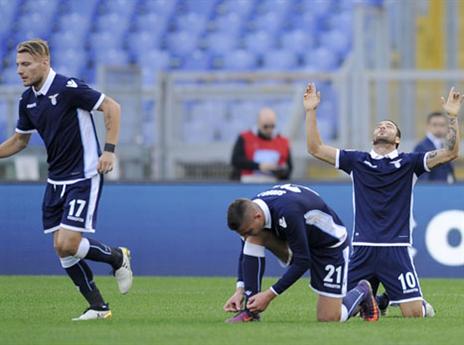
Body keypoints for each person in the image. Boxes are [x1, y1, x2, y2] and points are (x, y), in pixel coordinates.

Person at [0, 39, 133, 320]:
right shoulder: (28, 100)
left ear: (44, 62)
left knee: (68, 243)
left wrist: (109, 151)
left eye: (26, 64)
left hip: (84, 175)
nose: (20, 71)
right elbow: (20, 141)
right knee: (62, 248)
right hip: (56, 180)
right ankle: (99, 307)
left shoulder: (68, 88)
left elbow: (113, 107)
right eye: (17, 65)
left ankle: (117, 258)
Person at [304, 82, 462, 318]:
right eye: (379, 126)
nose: (382, 127)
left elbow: (450, 153)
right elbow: (315, 148)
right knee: (335, 314)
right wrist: (310, 111)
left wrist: (452, 117)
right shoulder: (356, 161)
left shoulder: (411, 163)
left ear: (397, 139)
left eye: (388, 126)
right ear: (373, 137)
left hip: (395, 249)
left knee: (415, 315)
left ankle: (388, 298)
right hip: (362, 248)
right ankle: (373, 297)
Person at [223, 184, 380, 323]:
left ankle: (362, 291)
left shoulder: (288, 211)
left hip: (330, 247)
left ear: (257, 216)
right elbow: (246, 251)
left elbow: (303, 261)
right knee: (254, 238)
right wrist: (240, 290)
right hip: (300, 241)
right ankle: (250, 311)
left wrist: (269, 295)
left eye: (247, 231)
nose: (245, 236)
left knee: (329, 318)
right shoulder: (251, 211)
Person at [230, 107, 292, 183]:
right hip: (248, 181)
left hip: (273, 182)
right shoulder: (245, 137)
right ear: (258, 123)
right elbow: (236, 160)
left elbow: (289, 168)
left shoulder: (283, 141)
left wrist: (279, 171)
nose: (269, 130)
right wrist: (259, 166)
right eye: (265, 126)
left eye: (272, 126)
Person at [414, 111, 455, 183]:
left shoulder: (446, 146)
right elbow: (422, 176)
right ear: (428, 126)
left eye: (442, 125)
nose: (438, 128)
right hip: (431, 191)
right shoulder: (421, 147)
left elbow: (450, 173)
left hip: (445, 190)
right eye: (435, 125)